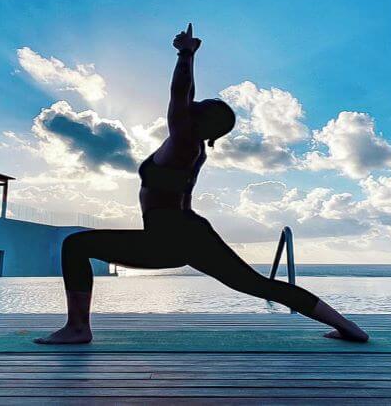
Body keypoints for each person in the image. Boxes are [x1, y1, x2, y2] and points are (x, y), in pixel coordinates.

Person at [35, 24, 369, 344]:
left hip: (169, 236)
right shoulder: (191, 147)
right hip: (188, 233)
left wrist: (186, 55)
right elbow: (185, 99)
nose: (196, 103)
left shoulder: (184, 142)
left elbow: (180, 93)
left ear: (205, 122)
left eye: (204, 106)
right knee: (257, 285)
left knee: (75, 245)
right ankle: (348, 327)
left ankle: (78, 328)